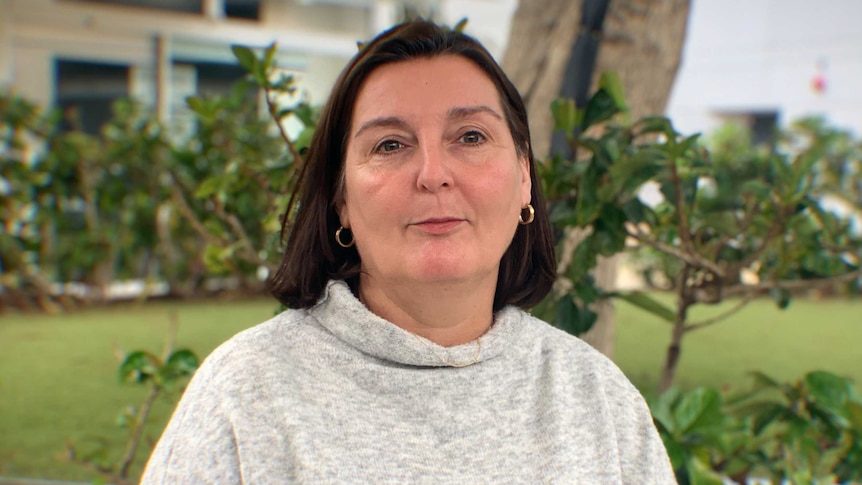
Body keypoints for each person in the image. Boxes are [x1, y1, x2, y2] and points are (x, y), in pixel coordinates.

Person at [141, 20, 676, 484]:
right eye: (390, 145)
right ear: (341, 201)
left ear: (524, 181)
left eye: (469, 136)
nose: (433, 175)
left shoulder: (598, 397)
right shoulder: (245, 393)